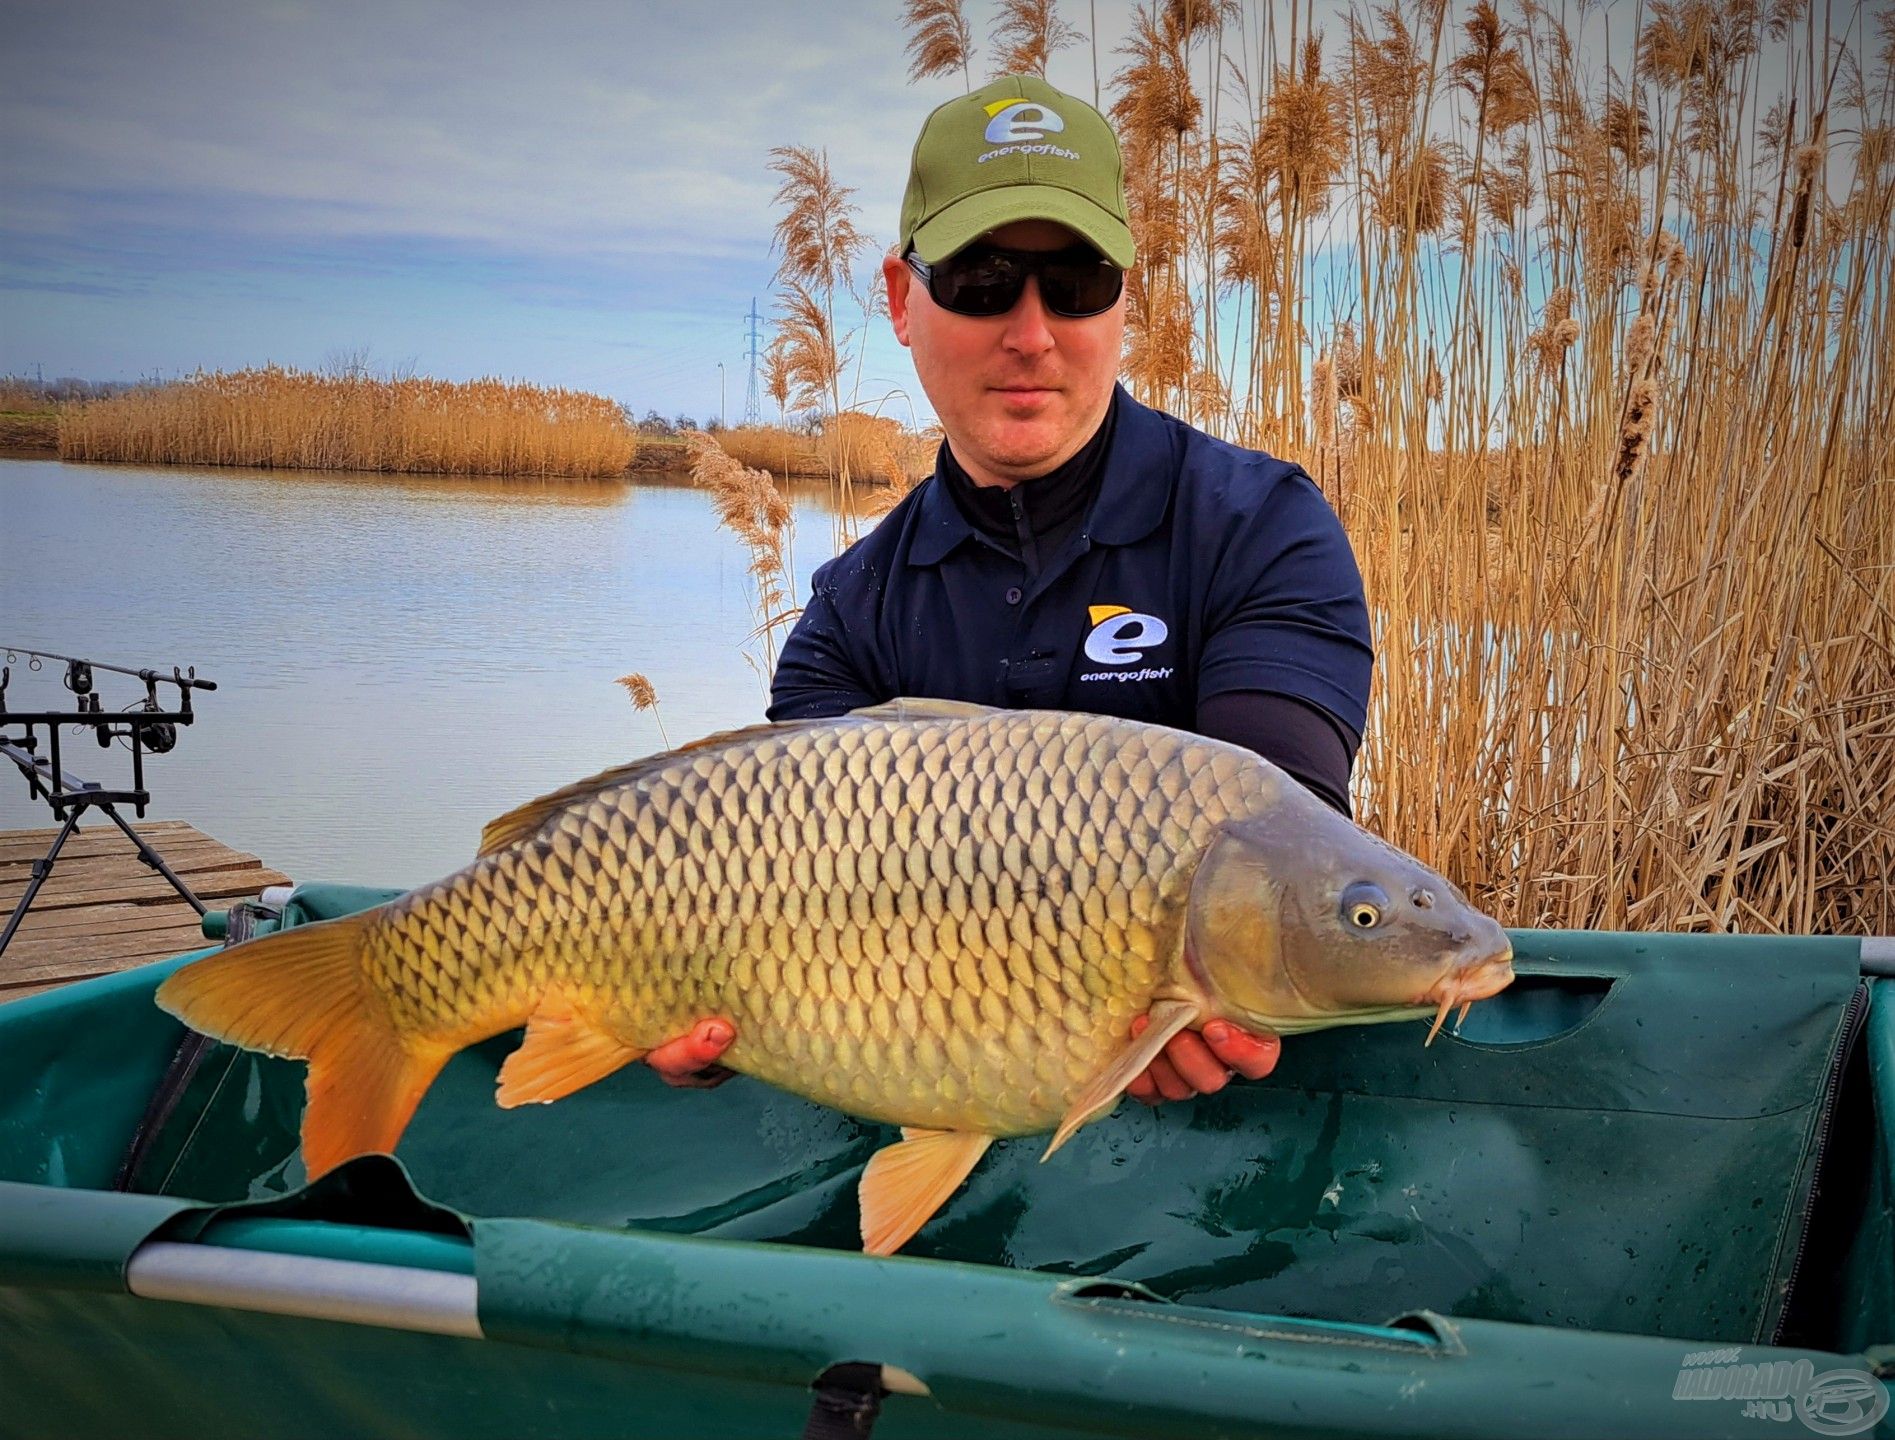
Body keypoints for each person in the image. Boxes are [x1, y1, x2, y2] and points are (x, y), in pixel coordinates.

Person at [645, 75, 1373, 1108]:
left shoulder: (1261, 530)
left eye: (1074, 281)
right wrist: (713, 1011)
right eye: (983, 280)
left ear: (1124, 297)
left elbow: (1276, 846)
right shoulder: (849, 616)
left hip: (1229, 1146)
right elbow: (795, 909)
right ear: (903, 301)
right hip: (944, 1092)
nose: (1030, 332)